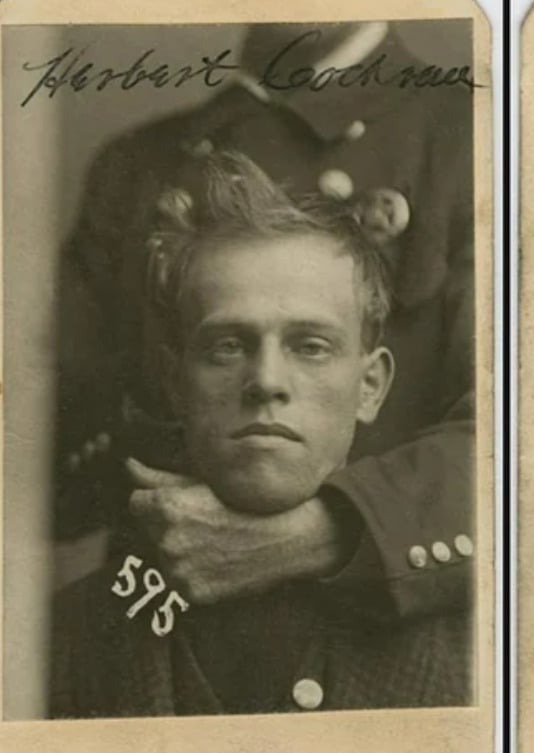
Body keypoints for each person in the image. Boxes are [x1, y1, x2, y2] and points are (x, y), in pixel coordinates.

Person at [54, 21, 477, 617]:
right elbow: (46, 456)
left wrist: (323, 531)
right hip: (156, 639)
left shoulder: (470, 133)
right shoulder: (137, 167)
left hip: (379, 635)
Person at [50, 152, 471, 717]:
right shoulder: (59, 642)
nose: (266, 382)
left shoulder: (480, 643)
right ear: (175, 383)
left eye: (311, 346)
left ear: (370, 386)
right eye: (227, 346)